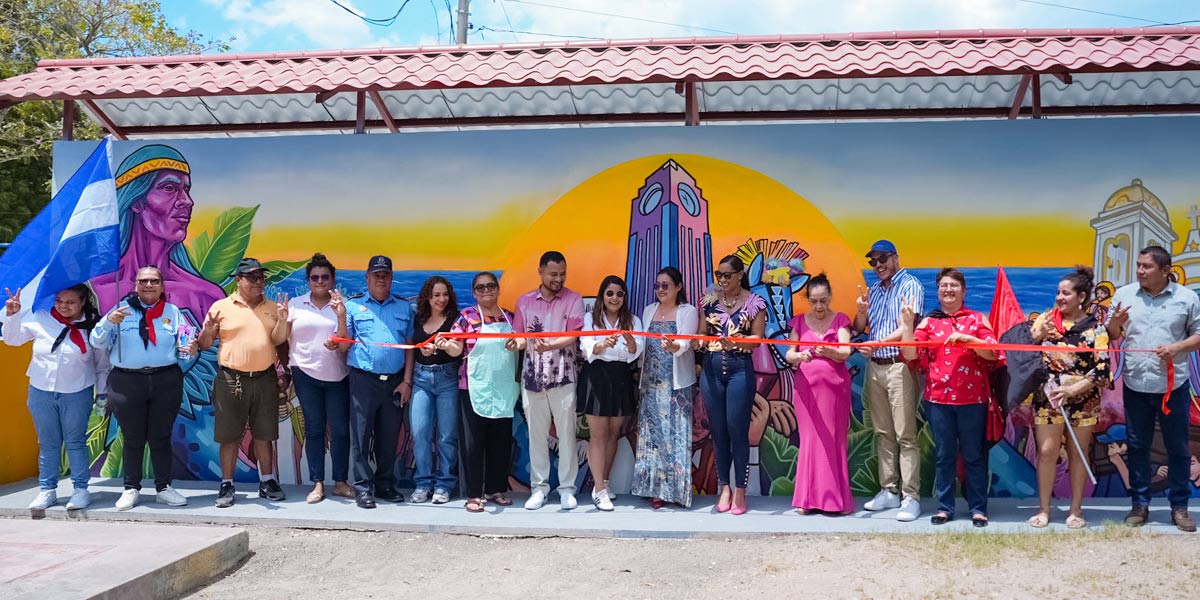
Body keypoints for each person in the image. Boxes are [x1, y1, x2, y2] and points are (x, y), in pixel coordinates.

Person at [1106, 245, 1200, 532]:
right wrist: (1115, 324)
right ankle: (1139, 505)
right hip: (1136, 383)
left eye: (1146, 266)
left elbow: (1198, 335)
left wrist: (1177, 348)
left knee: (1178, 447)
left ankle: (1180, 507)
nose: (1140, 271)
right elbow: (1111, 335)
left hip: (1174, 386)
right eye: (1138, 265)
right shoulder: (1124, 295)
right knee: (1137, 446)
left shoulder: (1186, 298)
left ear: (1165, 270)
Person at [900, 268, 999, 527]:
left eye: (954, 285)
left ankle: (978, 509)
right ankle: (945, 508)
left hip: (973, 400)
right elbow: (911, 355)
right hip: (938, 401)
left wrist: (968, 339)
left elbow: (993, 353)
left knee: (974, 456)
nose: (948, 290)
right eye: (943, 285)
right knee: (944, 456)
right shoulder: (928, 322)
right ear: (938, 291)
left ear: (964, 291)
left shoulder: (978, 319)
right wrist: (907, 325)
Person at [90, 266, 195, 510]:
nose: (149, 285)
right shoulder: (119, 311)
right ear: (135, 284)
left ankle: (164, 488)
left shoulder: (174, 312)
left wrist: (191, 349)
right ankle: (131, 488)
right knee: (132, 436)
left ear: (162, 285)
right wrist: (108, 322)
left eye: (154, 281)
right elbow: (96, 341)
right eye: (144, 281)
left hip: (165, 379)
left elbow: (185, 348)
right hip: (127, 381)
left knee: (161, 435)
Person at [3, 284, 107, 510]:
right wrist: (12, 315)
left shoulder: (93, 327)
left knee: (75, 441)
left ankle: (80, 490)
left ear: (83, 302)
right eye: (59, 301)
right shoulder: (41, 318)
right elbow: (13, 340)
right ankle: (47, 490)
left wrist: (102, 394)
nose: (63, 306)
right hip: (41, 391)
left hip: (77, 392)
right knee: (48, 442)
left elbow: (102, 366)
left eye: (70, 302)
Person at [92, 144, 224, 322]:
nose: (187, 201)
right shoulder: (94, 290)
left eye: (186, 190)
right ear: (136, 201)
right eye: (169, 188)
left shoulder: (206, 295)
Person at [196, 258, 289, 508]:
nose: (259, 282)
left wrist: (282, 320)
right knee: (229, 435)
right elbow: (204, 344)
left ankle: (267, 481)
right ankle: (226, 484)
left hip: (265, 378)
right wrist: (208, 330)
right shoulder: (221, 307)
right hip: (231, 378)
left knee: (264, 434)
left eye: (261, 277)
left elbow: (279, 340)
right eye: (252, 278)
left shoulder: (273, 307)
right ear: (239, 280)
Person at [1027, 266, 1112, 529]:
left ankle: (1076, 510)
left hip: (1083, 400)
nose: (1059, 298)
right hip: (1049, 397)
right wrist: (1039, 336)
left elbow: (1102, 369)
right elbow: (1025, 352)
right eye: (1058, 293)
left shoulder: (1096, 329)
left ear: (1082, 297)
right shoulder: (1045, 320)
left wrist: (1074, 390)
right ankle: (1044, 509)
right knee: (1047, 451)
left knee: (1078, 453)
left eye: (1066, 293)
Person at [507, 251, 586, 510]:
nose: (558, 279)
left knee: (566, 435)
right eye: (553, 274)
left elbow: (573, 335)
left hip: (564, 376)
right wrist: (515, 344)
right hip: (532, 378)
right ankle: (539, 488)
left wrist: (549, 345)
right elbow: (520, 337)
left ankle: (567, 489)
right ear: (540, 272)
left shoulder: (574, 299)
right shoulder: (524, 301)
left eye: (562, 274)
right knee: (537, 436)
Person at [853, 239, 924, 522]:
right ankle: (889, 490)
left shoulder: (910, 285)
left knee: (906, 434)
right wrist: (861, 312)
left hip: (899, 365)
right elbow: (861, 328)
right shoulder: (875, 291)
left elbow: (909, 326)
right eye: (873, 261)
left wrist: (878, 342)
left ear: (895, 258)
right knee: (882, 432)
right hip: (876, 366)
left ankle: (911, 497)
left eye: (883, 259)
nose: (878, 265)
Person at [337, 255, 414, 509]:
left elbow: (410, 347)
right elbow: (343, 343)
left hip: (395, 381)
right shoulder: (352, 306)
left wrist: (407, 381)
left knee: (389, 437)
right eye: (376, 274)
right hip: (363, 380)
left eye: (385, 274)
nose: (381, 279)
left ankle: (384, 484)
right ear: (367, 277)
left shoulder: (404, 307)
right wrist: (340, 318)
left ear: (391, 278)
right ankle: (362, 487)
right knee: (360, 436)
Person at [442, 272, 520, 513]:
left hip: (503, 388)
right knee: (472, 444)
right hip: (473, 387)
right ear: (474, 293)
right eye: (481, 287)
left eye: (490, 286)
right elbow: (456, 347)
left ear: (497, 289)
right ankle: (474, 494)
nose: (486, 291)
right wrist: (446, 345)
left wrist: (518, 343)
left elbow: (523, 341)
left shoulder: (510, 317)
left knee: (501, 442)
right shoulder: (466, 317)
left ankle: (496, 489)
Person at [698, 254, 766, 515]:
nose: (722, 280)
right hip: (712, 370)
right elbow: (702, 333)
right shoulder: (709, 302)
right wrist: (698, 341)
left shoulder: (755, 302)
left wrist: (737, 342)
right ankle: (724, 488)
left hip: (740, 370)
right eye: (719, 275)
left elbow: (758, 338)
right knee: (718, 432)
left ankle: (740, 490)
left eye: (727, 275)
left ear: (740, 276)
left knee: (738, 431)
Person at [285, 253, 354, 504]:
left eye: (325, 277)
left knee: (340, 431)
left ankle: (340, 482)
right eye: (315, 277)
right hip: (305, 373)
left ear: (333, 280)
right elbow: (282, 338)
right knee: (314, 429)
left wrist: (341, 317)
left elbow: (345, 344)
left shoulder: (344, 305)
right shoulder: (295, 305)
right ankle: (317, 483)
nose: (320, 281)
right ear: (308, 280)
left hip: (338, 375)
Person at [784, 274, 854, 515]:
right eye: (814, 301)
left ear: (830, 297)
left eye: (823, 300)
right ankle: (807, 500)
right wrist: (800, 356)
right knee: (810, 441)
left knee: (833, 440)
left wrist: (829, 352)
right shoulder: (798, 322)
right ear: (808, 299)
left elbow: (845, 352)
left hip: (835, 390)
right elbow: (789, 354)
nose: (819, 306)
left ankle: (837, 501)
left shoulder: (841, 320)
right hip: (806, 391)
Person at [632, 267, 698, 509]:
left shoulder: (688, 311)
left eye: (665, 285)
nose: (660, 290)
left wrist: (674, 347)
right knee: (653, 437)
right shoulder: (648, 310)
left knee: (675, 437)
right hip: (650, 383)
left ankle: (676, 492)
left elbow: (685, 342)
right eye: (657, 285)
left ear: (678, 287)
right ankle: (654, 490)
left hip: (676, 386)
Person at [579, 275, 643, 511]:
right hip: (596, 376)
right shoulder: (590, 318)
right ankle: (598, 490)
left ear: (624, 297)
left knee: (613, 433)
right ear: (602, 296)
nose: (614, 298)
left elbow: (637, 350)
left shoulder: (633, 320)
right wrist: (601, 345)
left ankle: (603, 483)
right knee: (597, 435)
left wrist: (631, 344)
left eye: (619, 294)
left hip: (621, 377)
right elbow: (586, 347)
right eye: (610, 293)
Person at [409, 276, 463, 505]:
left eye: (445, 294)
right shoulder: (418, 318)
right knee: (420, 432)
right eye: (436, 295)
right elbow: (413, 348)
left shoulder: (456, 319)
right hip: (421, 379)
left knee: (446, 435)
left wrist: (446, 346)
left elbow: (457, 350)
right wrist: (424, 350)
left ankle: (444, 484)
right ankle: (423, 483)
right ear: (427, 298)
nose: (442, 299)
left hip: (447, 379)